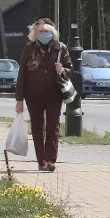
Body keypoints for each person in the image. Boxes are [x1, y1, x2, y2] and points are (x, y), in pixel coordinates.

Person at [14, 18, 73, 172]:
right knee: (37, 126)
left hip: (54, 93)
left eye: (47, 31)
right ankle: (42, 161)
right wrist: (19, 99)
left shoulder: (61, 48)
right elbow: (22, 75)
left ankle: (51, 159)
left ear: (52, 33)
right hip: (33, 94)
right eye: (40, 31)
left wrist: (62, 69)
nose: (44, 34)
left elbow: (71, 70)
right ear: (34, 33)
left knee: (53, 125)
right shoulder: (29, 49)